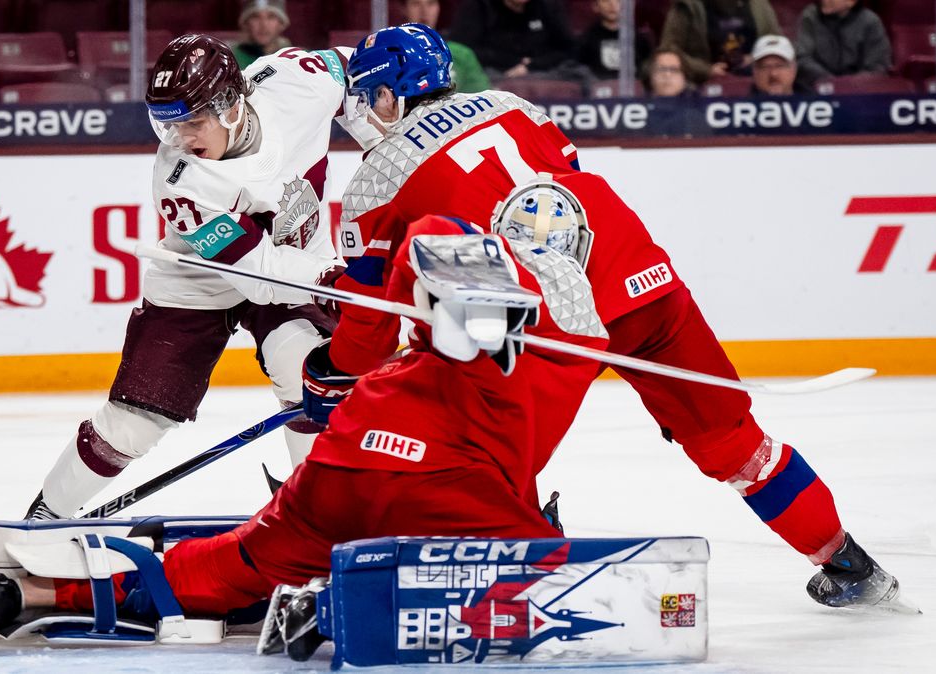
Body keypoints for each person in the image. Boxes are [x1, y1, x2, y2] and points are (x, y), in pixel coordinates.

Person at [321, 24, 903, 610]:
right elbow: (563, 192)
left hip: (542, 324)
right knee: (733, 443)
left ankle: (536, 579)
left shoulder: (374, 182)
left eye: (371, 96)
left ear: (391, 93)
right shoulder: (513, 106)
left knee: (486, 463)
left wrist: (330, 364)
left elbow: (367, 332)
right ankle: (847, 562)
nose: (369, 111)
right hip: (637, 278)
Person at [0, 205, 608, 630]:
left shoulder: (463, 319)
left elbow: (426, 250)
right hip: (437, 483)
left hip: (348, 457)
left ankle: (20, 597)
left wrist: (345, 361)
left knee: (231, 563)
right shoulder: (580, 346)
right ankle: (322, 605)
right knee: (546, 576)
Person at [22, 35, 348, 520]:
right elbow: (257, 277)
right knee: (136, 420)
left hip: (293, 261)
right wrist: (332, 276)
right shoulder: (182, 180)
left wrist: (382, 136)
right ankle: (45, 515)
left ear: (232, 106)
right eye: (168, 126)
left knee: (312, 374)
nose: (181, 139)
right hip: (201, 279)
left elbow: (363, 76)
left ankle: (319, 516)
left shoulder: (297, 81)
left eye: (193, 122)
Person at [450, 0, 577, 79]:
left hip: (543, 71)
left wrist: (533, 65)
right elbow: (462, 51)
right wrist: (514, 61)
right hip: (492, 73)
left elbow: (569, 48)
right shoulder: (478, 6)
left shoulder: (548, 5)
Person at [659, 0, 782, 82]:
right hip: (699, 85)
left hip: (753, 80)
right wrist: (706, 70)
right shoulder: (687, 6)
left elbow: (777, 44)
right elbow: (668, 51)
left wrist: (755, 57)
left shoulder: (759, 5)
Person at [795, 0, 891, 86]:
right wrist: (830, 81)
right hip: (817, 86)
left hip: (859, 90)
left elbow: (878, 66)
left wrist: (848, 85)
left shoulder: (871, 22)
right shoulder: (810, 16)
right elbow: (802, 57)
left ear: (851, 2)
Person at [402, 0, 490, 93]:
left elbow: (480, 95)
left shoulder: (462, 54)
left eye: (431, 3)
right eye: (416, 4)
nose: (424, 11)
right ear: (404, 9)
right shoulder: (393, 53)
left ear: (438, 8)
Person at [576, 0, 651, 81]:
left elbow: (647, 73)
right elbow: (579, 73)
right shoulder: (586, 40)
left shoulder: (639, 39)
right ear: (595, 6)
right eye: (606, 1)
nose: (612, 5)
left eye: (618, 1)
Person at [233, 0, 292, 69]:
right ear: (246, 24)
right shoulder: (232, 60)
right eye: (256, 17)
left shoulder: (297, 58)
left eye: (271, 17)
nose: (264, 25)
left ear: (282, 24)